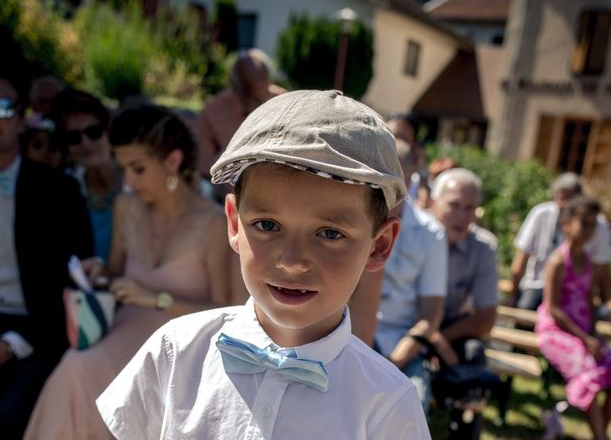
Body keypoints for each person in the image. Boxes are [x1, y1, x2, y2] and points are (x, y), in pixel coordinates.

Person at [97, 90, 431, 439]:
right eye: (268, 226)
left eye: (330, 234)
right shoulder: (175, 352)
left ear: (380, 246)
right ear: (234, 225)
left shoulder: (388, 402)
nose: (292, 262)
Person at [24, 105, 239, 440]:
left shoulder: (213, 223)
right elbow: (114, 274)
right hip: (121, 332)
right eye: (123, 168)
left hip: (181, 346)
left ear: (172, 161)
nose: (127, 181)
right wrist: (98, 274)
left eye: (137, 169)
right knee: (74, 368)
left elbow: (228, 312)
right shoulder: (125, 207)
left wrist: (156, 298)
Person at [0, 32, 93, 439]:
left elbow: (76, 288)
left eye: (3, 107)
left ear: (22, 118)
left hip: (37, 330)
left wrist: (7, 346)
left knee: (11, 418)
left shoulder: (59, 191)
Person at [374, 138, 447, 414]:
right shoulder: (349, 222)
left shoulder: (431, 234)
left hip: (402, 340)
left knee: (411, 404)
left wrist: (396, 361)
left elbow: (431, 313)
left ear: (408, 175)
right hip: (349, 335)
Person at [428, 168, 500, 439]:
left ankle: (465, 432)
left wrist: (441, 338)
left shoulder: (483, 247)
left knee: (473, 353)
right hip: (410, 324)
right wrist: (432, 338)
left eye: (469, 208)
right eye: (454, 205)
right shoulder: (414, 238)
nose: (461, 216)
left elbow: (486, 318)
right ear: (434, 204)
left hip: (453, 328)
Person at [535, 195, 611, 440]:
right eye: (584, 223)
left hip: (581, 331)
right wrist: (585, 338)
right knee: (587, 367)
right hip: (556, 331)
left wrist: (594, 333)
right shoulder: (558, 261)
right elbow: (554, 309)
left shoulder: (588, 262)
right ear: (567, 223)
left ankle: (599, 433)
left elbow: (590, 302)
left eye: (593, 225)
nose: (589, 231)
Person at [510, 173, 611, 310]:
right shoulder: (542, 214)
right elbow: (521, 257)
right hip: (539, 286)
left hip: (575, 292)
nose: (563, 205)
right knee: (527, 308)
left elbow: (600, 269)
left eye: (569, 199)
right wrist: (512, 295)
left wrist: (603, 305)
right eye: (560, 198)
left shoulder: (597, 225)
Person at [52, 89, 121, 263]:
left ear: (108, 134)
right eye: (74, 137)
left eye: (94, 132)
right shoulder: (64, 192)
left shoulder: (138, 181)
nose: (85, 143)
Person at [196, 48, 286, 178]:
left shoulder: (284, 102)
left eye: (265, 90)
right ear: (236, 90)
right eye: (253, 98)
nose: (260, 104)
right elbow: (204, 168)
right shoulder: (213, 112)